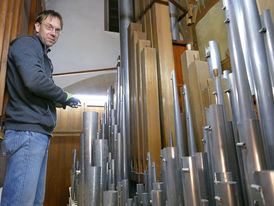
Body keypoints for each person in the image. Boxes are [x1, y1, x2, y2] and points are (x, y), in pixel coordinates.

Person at [0, 10, 80, 206]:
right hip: (27, 131)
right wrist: (64, 96)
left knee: (34, 202)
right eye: (49, 27)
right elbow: (34, 81)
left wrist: (56, 101)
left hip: (37, 133)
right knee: (20, 203)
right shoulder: (26, 44)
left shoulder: (43, 56)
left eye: (58, 30)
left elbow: (35, 88)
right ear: (37, 26)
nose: (53, 33)